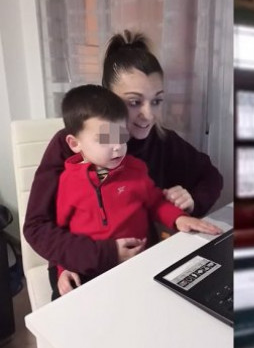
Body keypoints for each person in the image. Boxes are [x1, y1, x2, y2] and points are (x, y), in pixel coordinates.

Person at [23, 30, 224, 299]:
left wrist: (192, 202)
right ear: (107, 97)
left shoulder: (161, 140)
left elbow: (210, 176)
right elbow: (38, 225)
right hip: (78, 264)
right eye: (133, 102)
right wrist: (69, 263)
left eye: (156, 101)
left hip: (140, 260)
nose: (148, 115)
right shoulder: (68, 145)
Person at [55, 85, 220, 296]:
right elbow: (60, 233)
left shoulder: (135, 169)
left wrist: (178, 218)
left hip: (143, 261)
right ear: (75, 143)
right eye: (104, 138)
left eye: (120, 136)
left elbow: (155, 202)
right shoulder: (68, 181)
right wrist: (63, 267)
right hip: (93, 271)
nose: (117, 147)